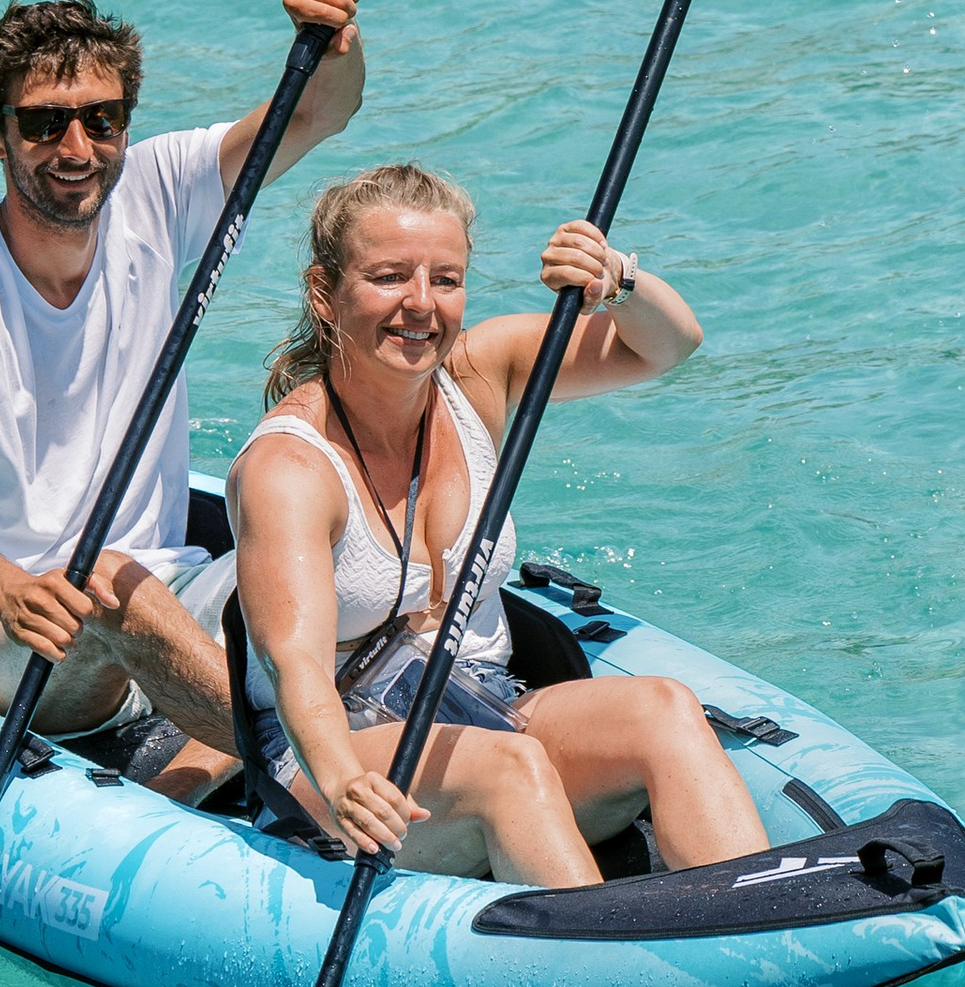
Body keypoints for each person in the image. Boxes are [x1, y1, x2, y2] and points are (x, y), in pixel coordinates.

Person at [0, 0, 366, 802]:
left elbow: (321, 107)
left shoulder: (157, 188)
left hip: (164, 589)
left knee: (341, 541)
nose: (77, 148)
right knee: (100, 580)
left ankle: (353, 739)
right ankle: (333, 773)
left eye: (102, 119)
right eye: (43, 124)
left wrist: (336, 34)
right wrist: (6, 587)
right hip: (8, 638)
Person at [228, 162, 769, 881]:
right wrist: (341, 781)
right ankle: (606, 970)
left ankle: (762, 932)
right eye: (389, 277)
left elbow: (668, 346)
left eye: (445, 280)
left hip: (485, 701)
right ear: (324, 295)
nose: (421, 304)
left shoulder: (480, 374)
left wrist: (618, 279)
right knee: (509, 767)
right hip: (339, 753)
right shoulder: (289, 469)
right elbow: (294, 668)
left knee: (664, 708)